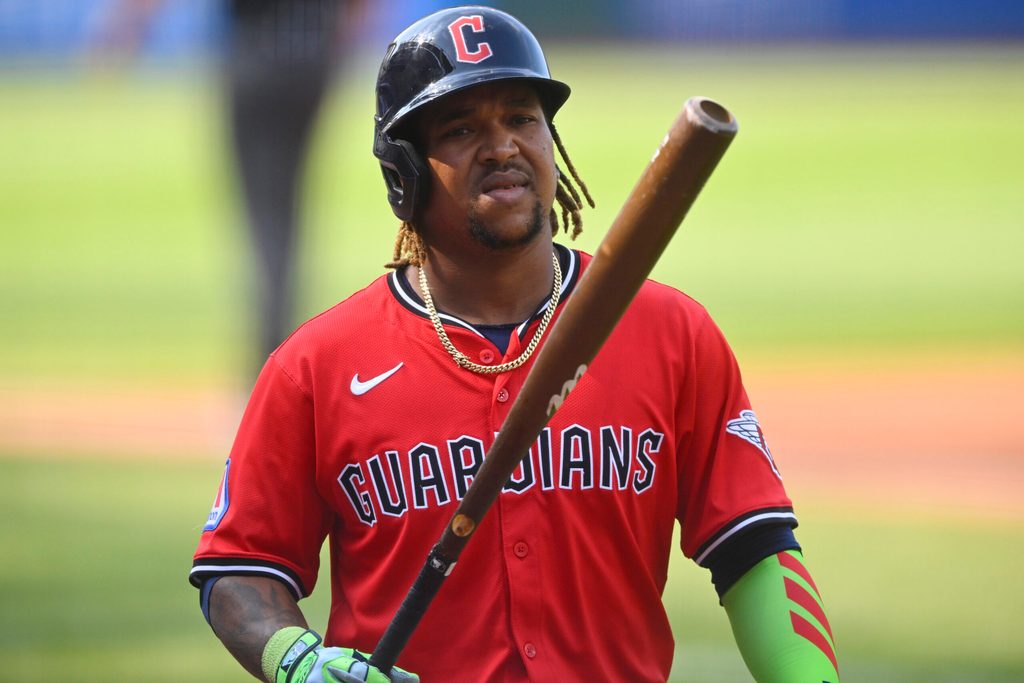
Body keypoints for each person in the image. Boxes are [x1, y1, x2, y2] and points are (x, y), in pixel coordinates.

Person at [190, 6, 840, 682]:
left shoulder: (670, 333)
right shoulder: (318, 366)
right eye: (463, 128)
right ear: (403, 173)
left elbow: (755, 549)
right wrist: (296, 660)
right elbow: (239, 569)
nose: (502, 145)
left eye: (522, 118)